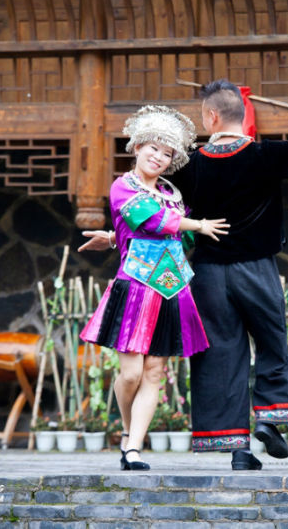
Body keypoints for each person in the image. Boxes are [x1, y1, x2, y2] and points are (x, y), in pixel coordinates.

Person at [81, 67, 288, 470]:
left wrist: (115, 234)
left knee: (221, 358)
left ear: (210, 118)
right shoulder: (265, 156)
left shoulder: (187, 169)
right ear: (244, 115)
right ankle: (271, 419)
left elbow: (155, 210)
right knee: (272, 343)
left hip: (207, 276)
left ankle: (237, 449)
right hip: (256, 269)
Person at [79, 105, 228, 471]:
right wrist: (198, 224)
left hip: (172, 288)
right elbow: (153, 220)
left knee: (155, 371)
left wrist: (116, 237)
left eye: (167, 153)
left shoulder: (173, 193)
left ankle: (133, 449)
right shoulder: (122, 186)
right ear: (137, 146)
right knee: (130, 373)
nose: (159, 157)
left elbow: (174, 237)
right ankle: (129, 433)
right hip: (135, 287)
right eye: (154, 148)